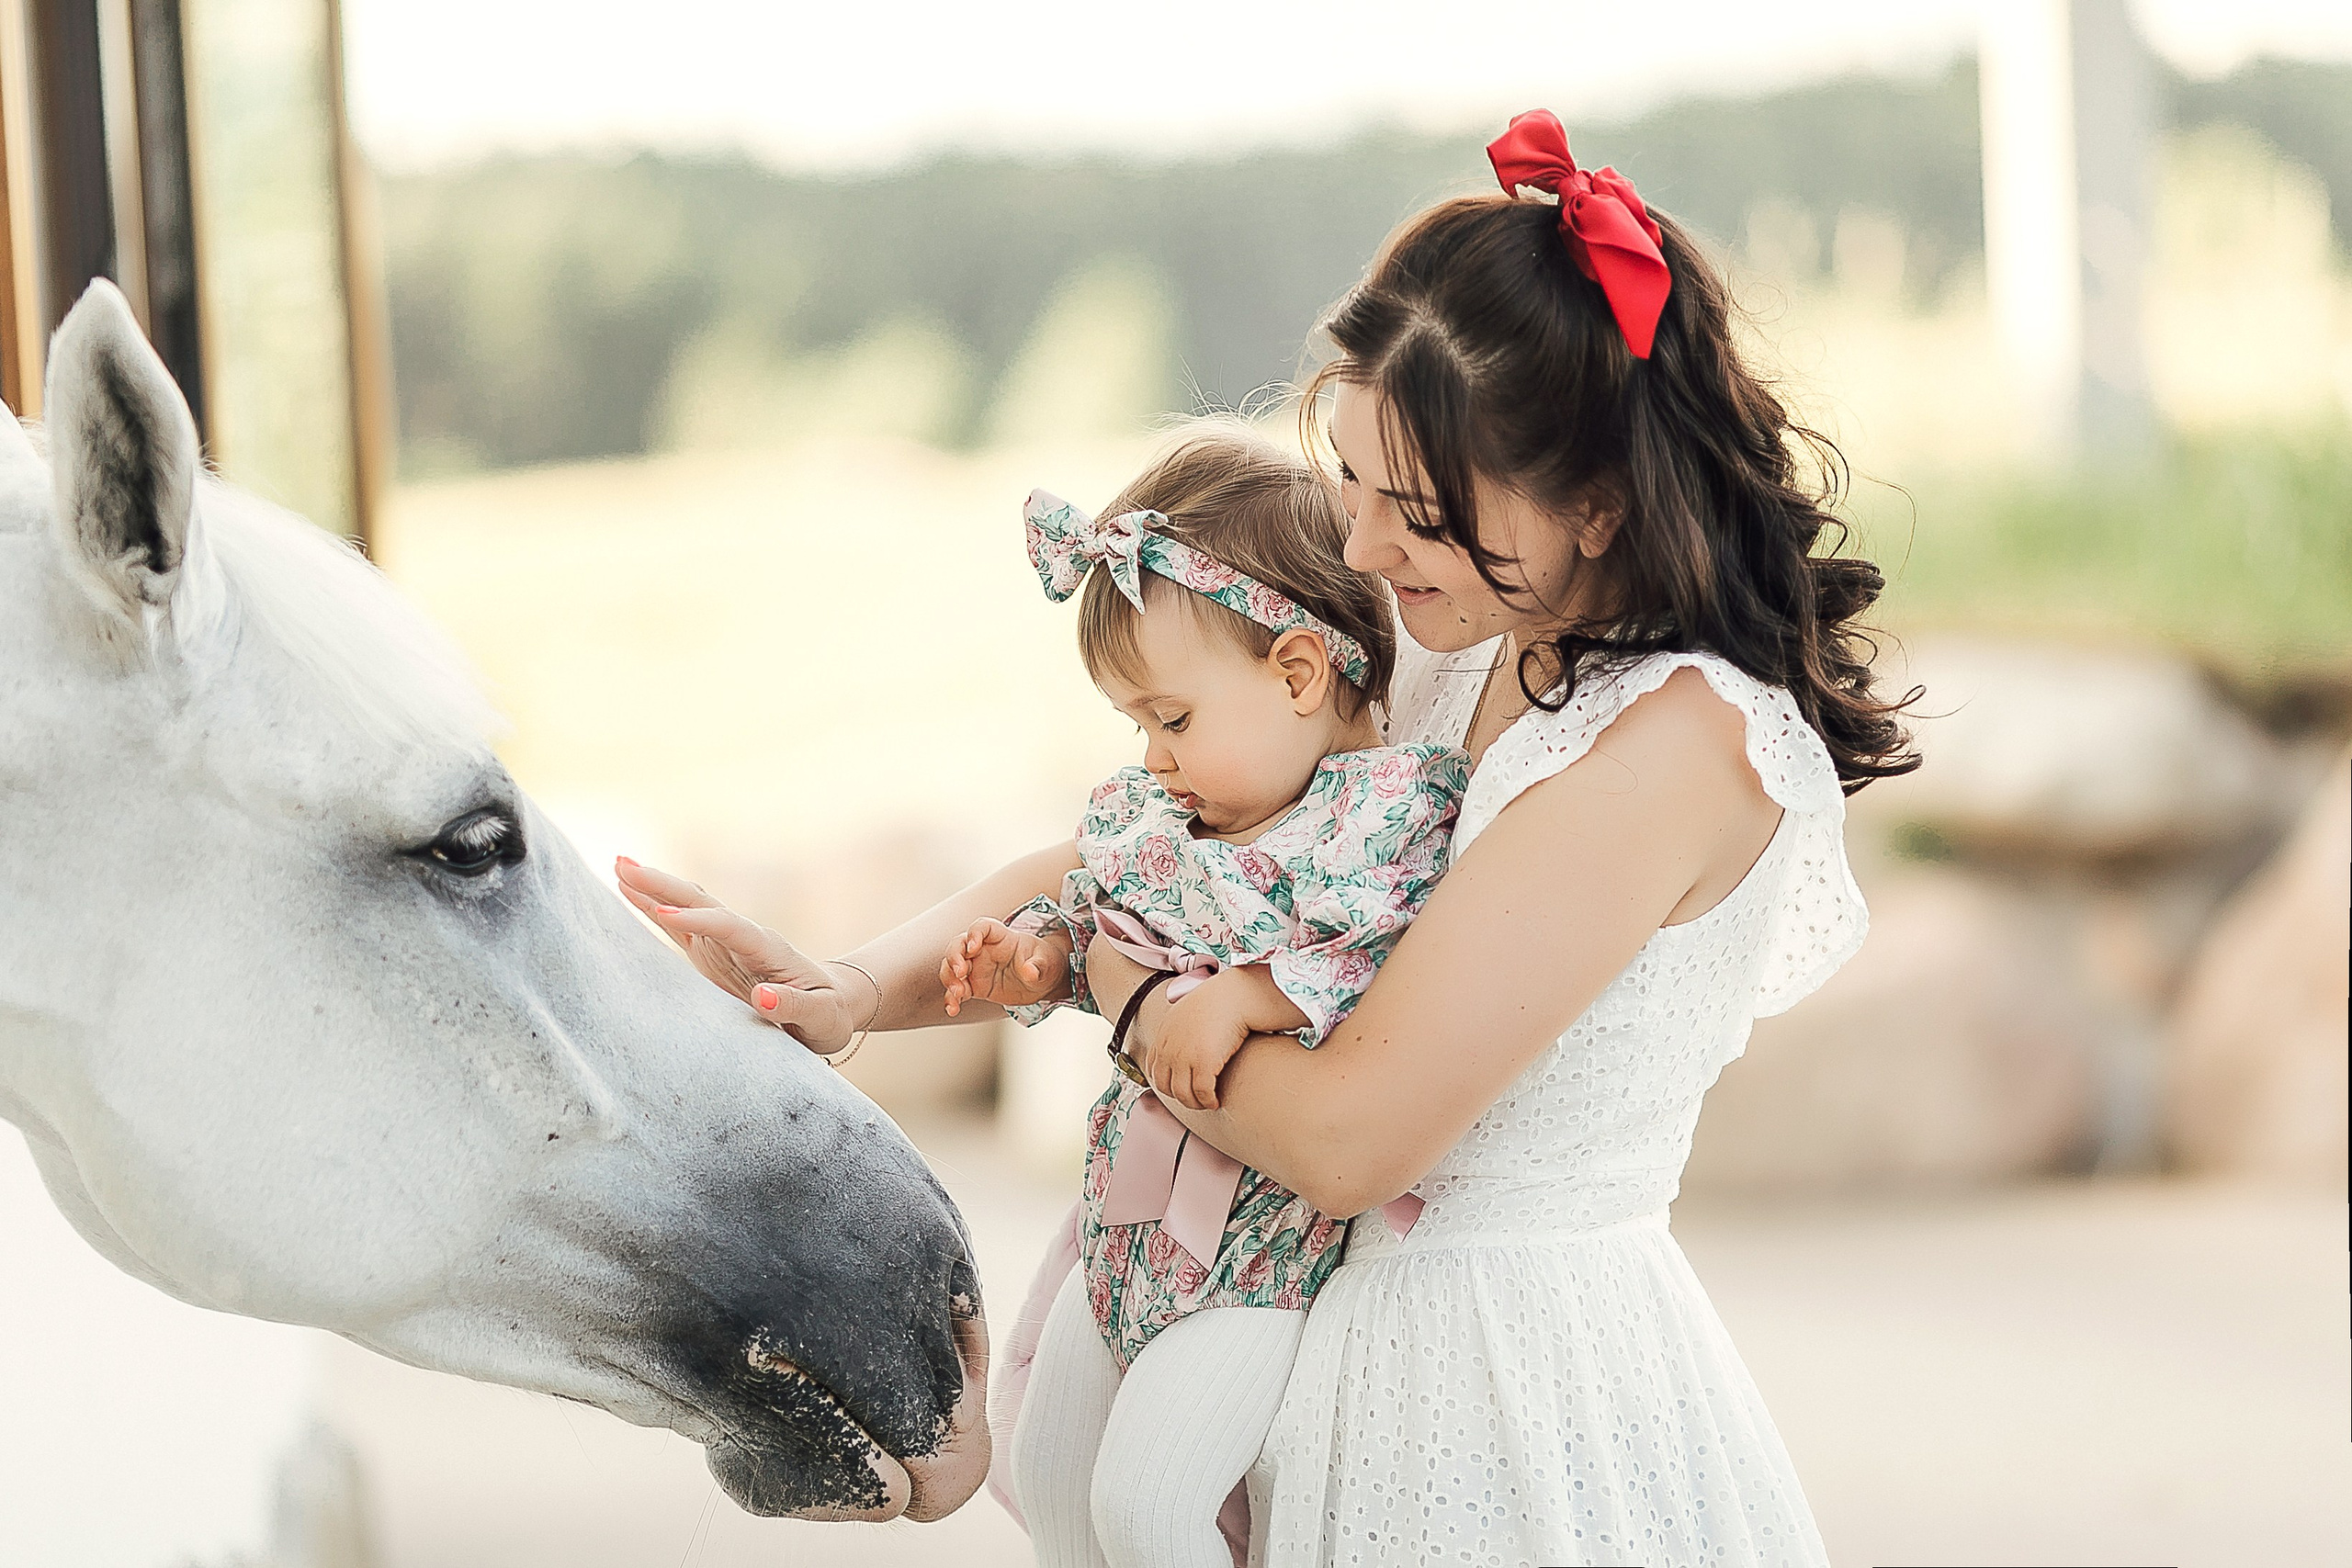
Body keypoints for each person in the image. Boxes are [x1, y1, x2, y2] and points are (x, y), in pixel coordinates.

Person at [1069, 109, 1920, 1566]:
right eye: (1348, 480)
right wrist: (872, 977)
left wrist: (1122, 987)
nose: (1358, 553)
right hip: (1334, 1344)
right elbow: (1223, 853)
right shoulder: (1471, 638)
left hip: (1510, 1395)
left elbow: (1345, 1137)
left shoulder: (1674, 747)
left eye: (1418, 512)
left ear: (1595, 502)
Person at [945, 436, 1467, 1568]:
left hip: (1259, 1249)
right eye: (1136, 724)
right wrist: (1038, 958)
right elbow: (1099, 923)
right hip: (1123, 1225)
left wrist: (1254, 992)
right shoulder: (1163, 824)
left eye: (1172, 720)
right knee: (1046, 1468)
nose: (1152, 757)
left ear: (1296, 673)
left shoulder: (1379, 820)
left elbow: (1397, 950)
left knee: (1147, 1502)